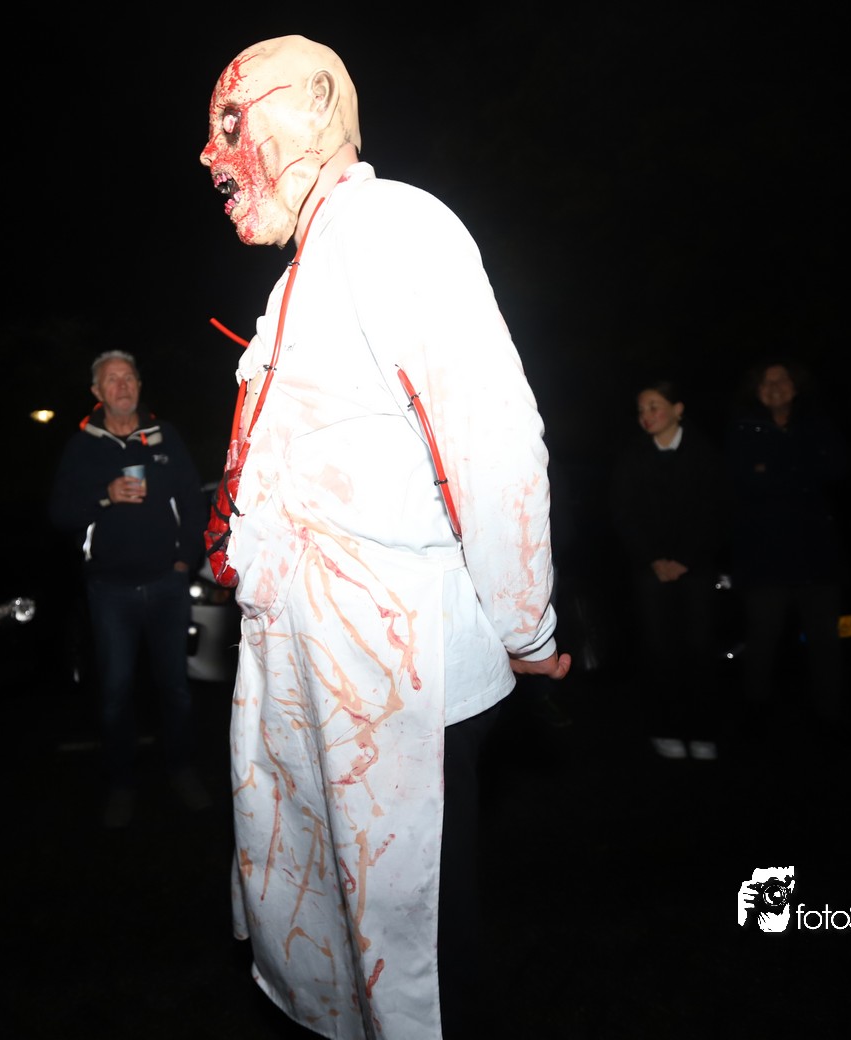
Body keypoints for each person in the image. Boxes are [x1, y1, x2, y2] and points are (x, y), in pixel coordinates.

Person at [198, 36, 569, 1039]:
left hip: (400, 691)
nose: (209, 153)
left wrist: (524, 626)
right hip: (316, 687)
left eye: (231, 119)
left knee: (421, 971)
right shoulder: (301, 278)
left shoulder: (393, 226)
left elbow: (492, 440)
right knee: (343, 956)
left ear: (320, 104)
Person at [47, 350, 209, 828]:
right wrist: (106, 496)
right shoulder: (83, 447)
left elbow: (193, 503)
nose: (122, 385)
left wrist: (185, 560)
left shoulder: (164, 437)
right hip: (110, 592)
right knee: (116, 693)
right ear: (97, 393)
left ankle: (182, 770)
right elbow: (60, 514)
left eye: (128, 377)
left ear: (139, 385)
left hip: (167, 585)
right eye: (111, 380)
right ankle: (121, 784)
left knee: (175, 689)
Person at [724, 360, 849, 739]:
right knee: (762, 642)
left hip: (816, 558)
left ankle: (830, 719)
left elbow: (838, 471)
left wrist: (773, 470)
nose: (774, 386)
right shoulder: (743, 429)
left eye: (782, 379)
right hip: (764, 560)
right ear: (757, 390)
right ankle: (756, 720)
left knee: (825, 644)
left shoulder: (817, 425)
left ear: (796, 387)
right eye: (766, 381)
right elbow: (739, 484)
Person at [608, 378, 726, 761]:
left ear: (678, 409)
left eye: (654, 406)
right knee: (659, 650)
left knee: (700, 649)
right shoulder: (632, 457)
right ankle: (665, 727)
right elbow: (623, 513)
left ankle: (704, 731)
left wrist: (686, 558)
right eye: (641, 409)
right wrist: (653, 559)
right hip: (651, 570)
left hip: (697, 567)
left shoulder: (705, 453)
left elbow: (716, 510)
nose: (646, 415)